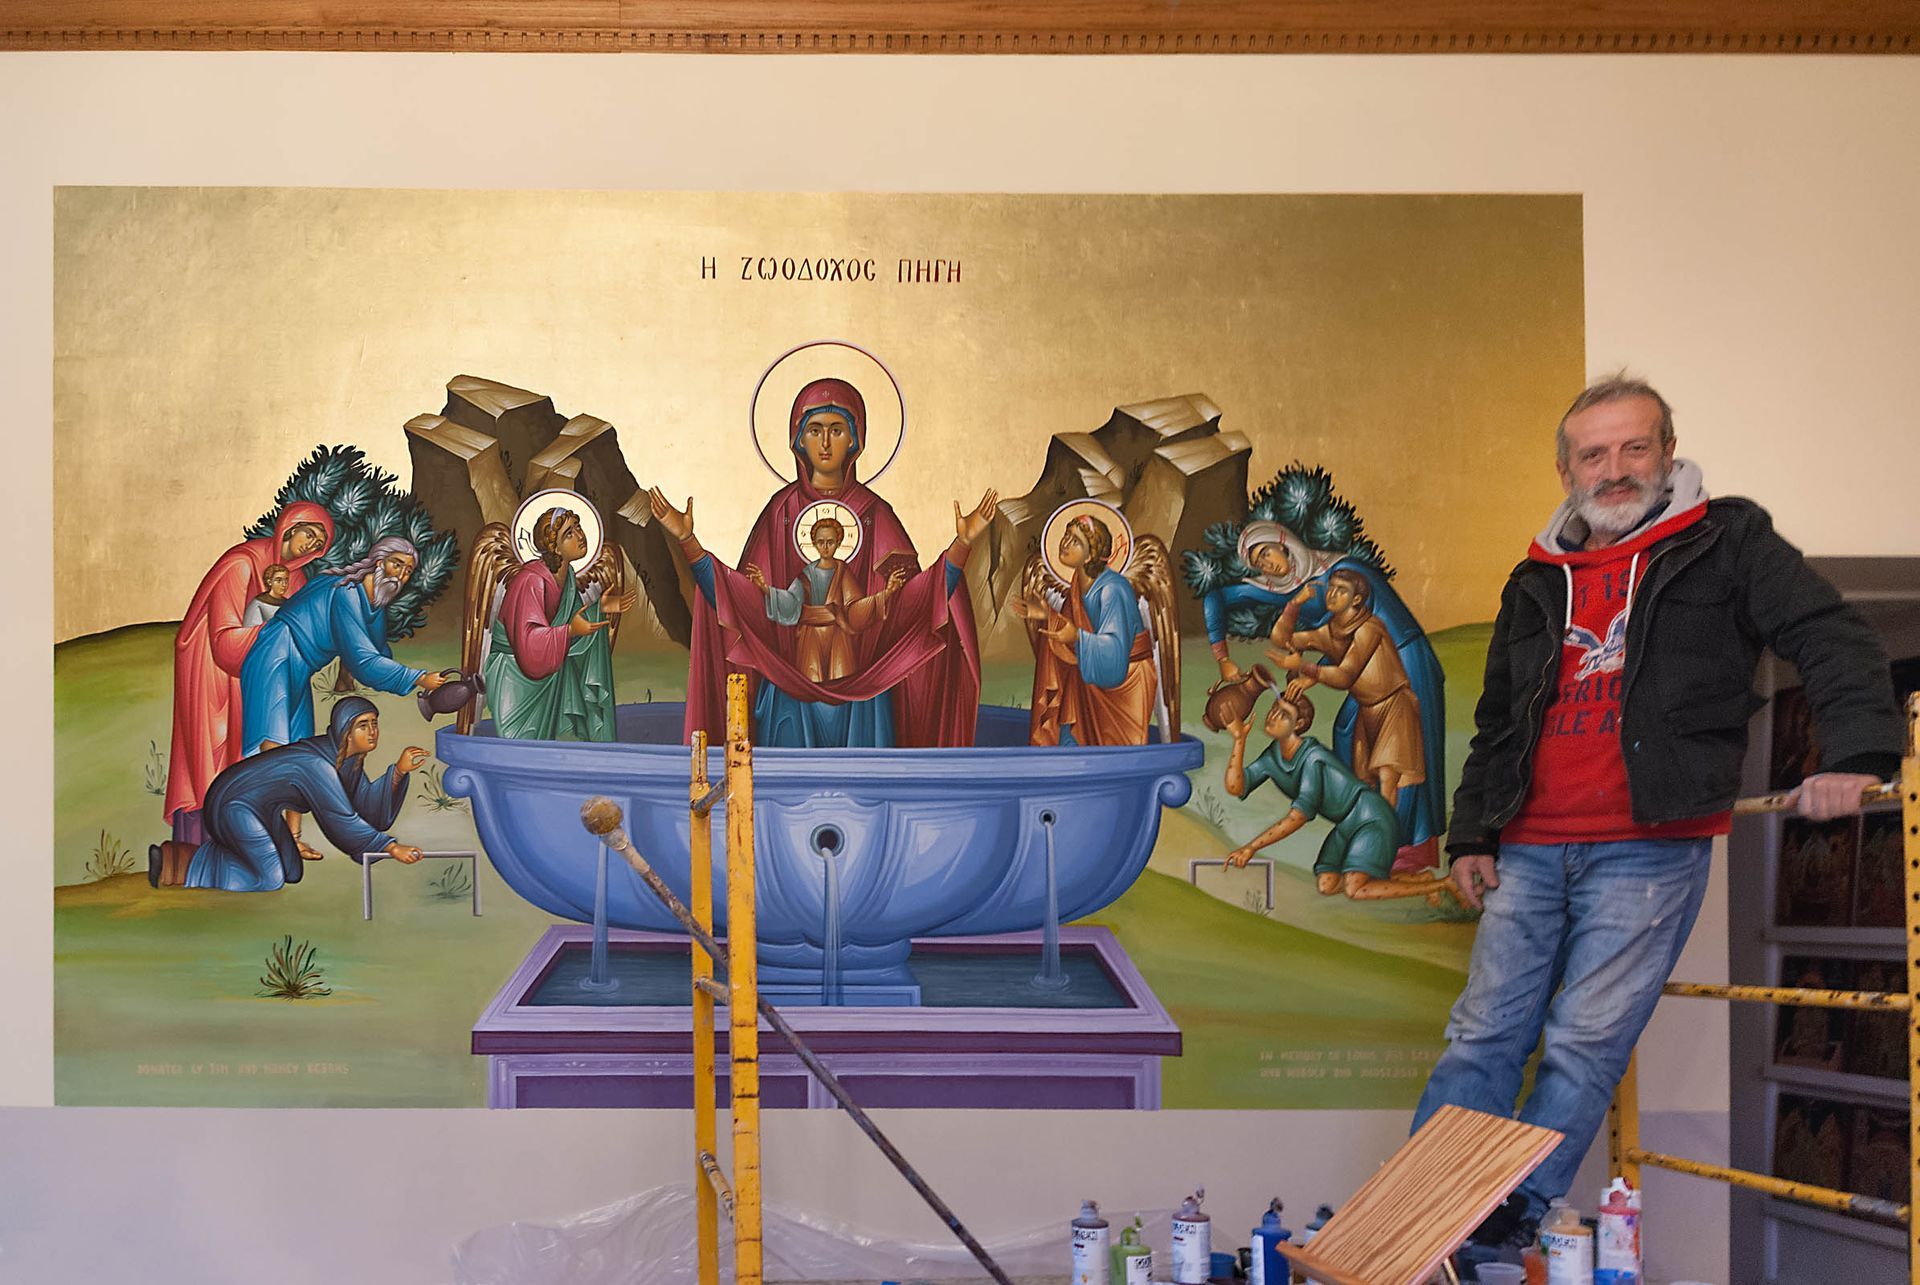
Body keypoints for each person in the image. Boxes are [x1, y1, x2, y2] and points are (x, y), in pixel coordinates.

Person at [1414, 374, 1902, 1253]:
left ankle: (1496, 1229)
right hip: (1528, 845)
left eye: (1634, 447)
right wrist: (1474, 831)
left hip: (1648, 848)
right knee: (1480, 1036)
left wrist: (1857, 757)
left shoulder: (1727, 539)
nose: (1614, 468)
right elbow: (1499, 719)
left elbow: (1830, 633)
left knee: (1582, 1043)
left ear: (1667, 452)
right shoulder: (1535, 575)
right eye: (1593, 454)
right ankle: (1418, 1219)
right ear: (1565, 468)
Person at [650, 377, 997, 748]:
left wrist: (962, 544)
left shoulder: (875, 514)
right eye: (814, 430)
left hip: (863, 692)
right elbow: (742, 604)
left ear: (855, 439)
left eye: (837, 430)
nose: (826, 443)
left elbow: (911, 606)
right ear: (798, 439)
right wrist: (687, 540)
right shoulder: (780, 512)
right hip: (790, 686)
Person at [1201, 520, 1447, 870]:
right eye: (1257, 562)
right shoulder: (1283, 588)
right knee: (1347, 734)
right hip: (1363, 674)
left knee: (1402, 758)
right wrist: (1223, 659)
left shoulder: (1342, 571)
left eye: (1267, 552)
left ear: (1285, 544)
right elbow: (1217, 599)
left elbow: (1359, 632)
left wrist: (1311, 670)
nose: (1265, 565)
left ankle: (1406, 846)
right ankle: (1367, 828)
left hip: (1401, 658)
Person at [164, 502, 334, 846]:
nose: (311, 545)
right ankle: (204, 845)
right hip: (213, 674)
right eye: (309, 533)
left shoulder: (297, 580)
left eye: (319, 543)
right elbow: (224, 640)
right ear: (290, 526)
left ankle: (261, 840)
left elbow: (301, 635)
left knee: (269, 745)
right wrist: (280, 636)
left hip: (262, 675)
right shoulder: (241, 564)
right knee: (215, 751)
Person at [169, 696, 427, 893]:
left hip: (259, 809)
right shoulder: (318, 765)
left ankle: (217, 855)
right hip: (231, 804)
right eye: (362, 725)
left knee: (291, 871)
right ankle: (184, 864)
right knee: (269, 878)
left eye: (374, 723)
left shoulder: (346, 762)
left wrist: (398, 773)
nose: (372, 732)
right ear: (344, 731)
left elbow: (368, 811)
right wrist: (390, 847)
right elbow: (342, 819)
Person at [239, 535, 448, 757]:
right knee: (273, 748)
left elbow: (377, 651)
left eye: (408, 571)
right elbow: (363, 659)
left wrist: (406, 677)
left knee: (299, 749)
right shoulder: (347, 592)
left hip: (300, 667)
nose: (401, 575)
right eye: (396, 564)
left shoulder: (373, 603)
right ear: (379, 562)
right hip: (274, 657)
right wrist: (417, 678)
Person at [1221, 691, 1407, 899]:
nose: (1272, 716)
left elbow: (1297, 817)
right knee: (1327, 885)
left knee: (1354, 890)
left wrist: (1251, 847)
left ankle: (1441, 884)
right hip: (1346, 824)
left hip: (1371, 818)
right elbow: (1236, 787)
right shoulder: (1273, 755)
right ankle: (1418, 879)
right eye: (1274, 709)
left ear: (1298, 724)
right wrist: (1239, 740)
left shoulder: (1313, 758)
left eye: (1282, 714)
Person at [1270, 567, 1426, 811]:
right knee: (1364, 782)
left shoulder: (1369, 629)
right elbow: (1281, 639)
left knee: (1387, 780)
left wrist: (1303, 666)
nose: (1332, 594)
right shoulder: (1330, 631)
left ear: (1356, 599)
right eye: (1331, 587)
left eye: (1341, 591)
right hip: (1368, 711)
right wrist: (1295, 603)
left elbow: (1345, 676)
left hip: (1394, 706)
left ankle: (1384, 843)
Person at [483, 504, 637, 741]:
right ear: (553, 547)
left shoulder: (568, 579)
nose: (579, 535)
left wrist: (601, 608)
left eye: (577, 527)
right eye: (568, 534)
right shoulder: (531, 581)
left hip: (546, 671)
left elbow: (573, 618)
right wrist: (568, 631)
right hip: (515, 679)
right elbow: (529, 645)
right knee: (523, 747)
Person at [1011, 511, 1158, 747]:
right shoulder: (1077, 586)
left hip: (1123, 686)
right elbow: (1071, 635)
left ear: (1091, 555)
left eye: (1076, 541)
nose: (1066, 543)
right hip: (1087, 681)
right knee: (1069, 737)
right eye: (1067, 535)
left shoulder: (1113, 589)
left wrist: (1077, 636)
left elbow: (1114, 653)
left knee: (1110, 754)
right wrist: (1047, 616)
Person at [746, 514, 906, 683]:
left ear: (838, 543)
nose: (825, 547)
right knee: (812, 685)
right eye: (820, 542)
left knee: (840, 683)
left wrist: (887, 593)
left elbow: (854, 609)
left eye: (830, 542)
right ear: (814, 543)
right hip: (810, 638)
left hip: (838, 637)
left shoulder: (843, 572)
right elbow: (792, 602)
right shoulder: (807, 573)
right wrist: (764, 588)